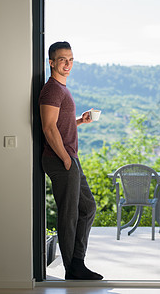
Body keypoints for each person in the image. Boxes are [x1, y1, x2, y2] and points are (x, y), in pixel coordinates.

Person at [39, 41, 103, 280]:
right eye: (62, 60)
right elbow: (47, 128)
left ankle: (77, 261)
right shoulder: (53, 89)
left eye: (71, 59)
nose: (67, 64)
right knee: (69, 215)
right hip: (61, 160)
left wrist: (78, 121)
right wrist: (65, 159)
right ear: (51, 62)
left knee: (87, 208)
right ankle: (73, 268)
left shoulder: (61, 88)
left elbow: (58, 124)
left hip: (69, 158)